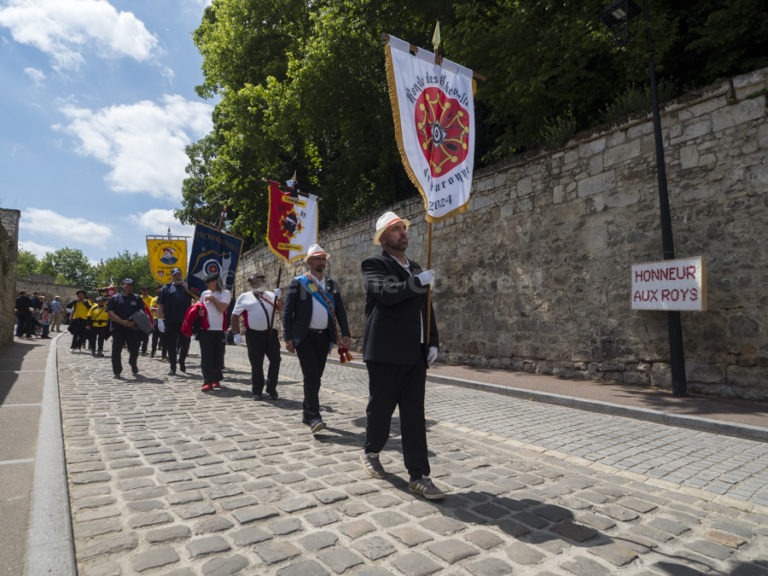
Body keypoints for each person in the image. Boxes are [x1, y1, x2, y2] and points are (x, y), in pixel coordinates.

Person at [360, 211, 445, 500]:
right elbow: (386, 292)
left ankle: (419, 475)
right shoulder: (374, 264)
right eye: (396, 230)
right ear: (383, 239)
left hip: (414, 353)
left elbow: (426, 307)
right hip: (385, 352)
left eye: (404, 229)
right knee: (381, 410)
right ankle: (372, 450)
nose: (403, 233)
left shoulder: (416, 268)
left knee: (414, 416)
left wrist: (432, 341)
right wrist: (417, 282)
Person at [283, 244, 351, 434]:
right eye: (318, 259)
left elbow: (340, 311)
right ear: (309, 261)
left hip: (324, 337)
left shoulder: (331, 284)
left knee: (316, 377)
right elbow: (288, 312)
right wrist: (287, 337)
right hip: (304, 337)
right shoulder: (299, 282)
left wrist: (345, 333)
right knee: (311, 375)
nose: (322, 262)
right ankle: (315, 416)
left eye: (323, 259)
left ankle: (307, 413)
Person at [231, 273, 283, 400]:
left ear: (263, 282)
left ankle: (272, 388)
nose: (255, 284)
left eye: (258, 281)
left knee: (276, 360)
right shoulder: (244, 297)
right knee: (256, 363)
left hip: (271, 334)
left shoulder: (271, 295)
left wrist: (279, 297)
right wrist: (236, 333)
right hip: (254, 335)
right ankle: (257, 391)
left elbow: (281, 308)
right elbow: (234, 316)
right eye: (253, 282)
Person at [198, 273, 231, 391]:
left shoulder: (225, 293)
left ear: (215, 282)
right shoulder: (204, 293)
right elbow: (200, 307)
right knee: (206, 356)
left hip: (219, 329)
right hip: (205, 329)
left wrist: (214, 300)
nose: (206, 284)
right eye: (206, 282)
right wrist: (199, 312)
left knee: (218, 356)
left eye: (209, 282)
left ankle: (216, 379)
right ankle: (207, 381)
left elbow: (223, 308)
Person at [106, 278, 144, 379]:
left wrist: (133, 322)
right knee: (116, 350)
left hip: (132, 328)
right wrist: (122, 322)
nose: (129, 287)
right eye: (126, 285)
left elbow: (141, 312)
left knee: (134, 349)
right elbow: (110, 312)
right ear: (122, 285)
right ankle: (117, 371)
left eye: (131, 285)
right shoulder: (114, 298)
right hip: (118, 328)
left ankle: (133, 362)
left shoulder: (137, 298)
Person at [158, 268, 192, 375]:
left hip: (185, 321)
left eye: (179, 275)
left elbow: (197, 297)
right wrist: (159, 319)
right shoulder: (166, 288)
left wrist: (189, 289)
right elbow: (161, 304)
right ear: (172, 276)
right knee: (171, 345)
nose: (177, 277)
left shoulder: (187, 287)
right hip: (170, 321)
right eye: (175, 275)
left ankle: (182, 360)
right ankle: (173, 367)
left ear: (181, 275)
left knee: (186, 343)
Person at [149, 285, 166, 359]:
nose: (159, 291)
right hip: (156, 319)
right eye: (158, 289)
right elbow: (151, 309)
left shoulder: (167, 298)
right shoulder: (154, 299)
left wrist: (158, 309)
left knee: (165, 338)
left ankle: (164, 354)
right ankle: (153, 352)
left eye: (161, 289)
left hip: (165, 320)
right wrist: (161, 309)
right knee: (155, 337)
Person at [138, 286, 153, 356]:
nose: (145, 292)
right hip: (139, 318)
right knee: (137, 335)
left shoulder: (151, 299)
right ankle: (136, 348)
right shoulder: (138, 298)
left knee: (146, 336)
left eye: (146, 290)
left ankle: (144, 350)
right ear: (141, 291)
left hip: (147, 319)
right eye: (143, 290)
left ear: (148, 291)